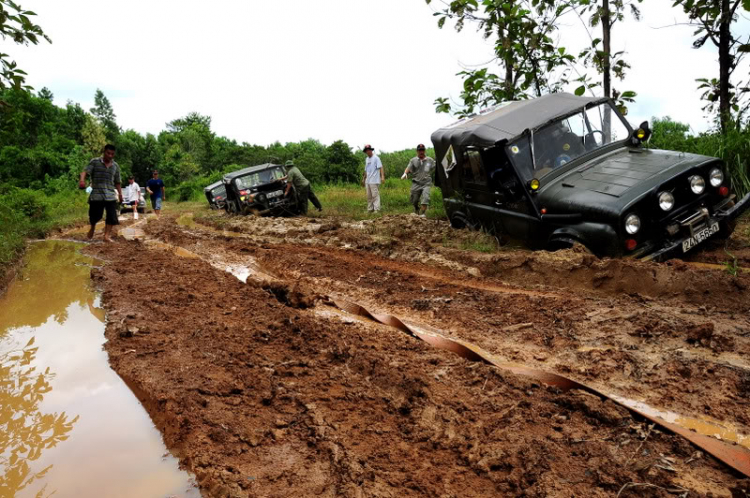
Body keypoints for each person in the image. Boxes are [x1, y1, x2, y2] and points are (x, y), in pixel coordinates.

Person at [78, 144, 123, 243]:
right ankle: (93, 227)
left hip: (110, 195)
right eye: (108, 153)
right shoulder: (95, 162)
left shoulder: (115, 166)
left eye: (112, 154)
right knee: (95, 216)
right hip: (97, 195)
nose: (110, 156)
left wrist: (120, 194)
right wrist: (82, 180)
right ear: (104, 152)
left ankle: (106, 236)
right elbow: (85, 172)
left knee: (112, 216)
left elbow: (117, 182)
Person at [401, 144, 436, 217]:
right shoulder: (413, 160)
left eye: (422, 150)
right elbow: (408, 168)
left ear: (424, 151)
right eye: (420, 150)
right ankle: (416, 209)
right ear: (417, 151)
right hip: (416, 183)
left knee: (425, 198)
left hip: (426, 183)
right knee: (414, 200)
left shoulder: (430, 160)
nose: (421, 152)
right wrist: (405, 173)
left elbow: (436, 166)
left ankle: (423, 213)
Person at [362, 144, 385, 212]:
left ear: (371, 150)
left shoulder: (376, 158)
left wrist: (382, 177)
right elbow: (366, 170)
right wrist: (363, 179)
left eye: (369, 150)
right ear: (365, 152)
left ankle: (376, 209)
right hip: (368, 180)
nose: (368, 151)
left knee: (375, 195)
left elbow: (381, 167)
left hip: (374, 180)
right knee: (369, 196)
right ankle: (370, 209)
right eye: (366, 150)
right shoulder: (367, 159)